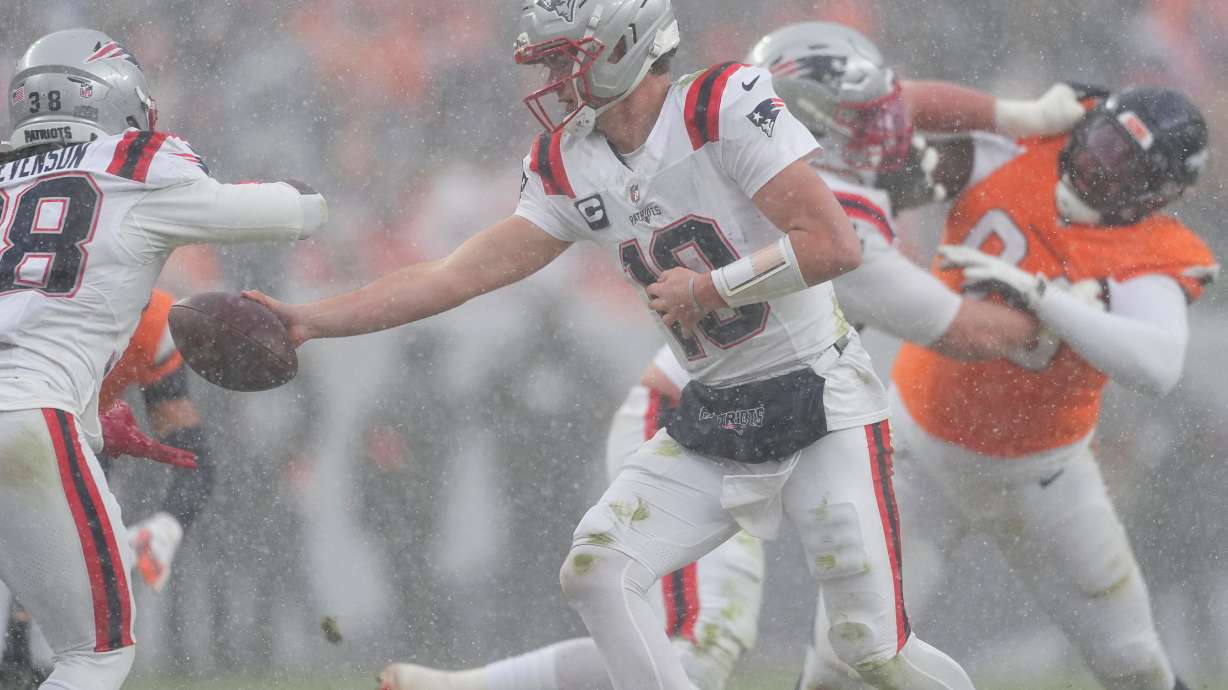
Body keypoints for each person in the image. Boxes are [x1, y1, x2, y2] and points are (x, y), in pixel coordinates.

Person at [249, 3, 978, 687]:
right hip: (717, 410)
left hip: (819, 397)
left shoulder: (720, 105)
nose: (550, 81)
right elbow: (455, 274)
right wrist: (313, 321)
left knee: (871, 651)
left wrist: (711, 290)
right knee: (596, 571)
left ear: (624, 47)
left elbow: (832, 245)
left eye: (565, 59)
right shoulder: (571, 162)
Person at [374, 20, 1092, 690]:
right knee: (695, 644)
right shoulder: (813, 199)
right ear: (811, 122)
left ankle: (465, 686)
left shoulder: (776, 153)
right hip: (704, 417)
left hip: (792, 406)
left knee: (853, 646)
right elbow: (969, 331)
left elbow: (906, 101)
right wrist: (1056, 303)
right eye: (867, 120)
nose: (893, 132)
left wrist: (1020, 115)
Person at [803, 85, 1216, 690]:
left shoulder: (1154, 254)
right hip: (915, 450)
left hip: (1043, 478)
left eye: (1128, 164)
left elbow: (1158, 366)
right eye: (1105, 143)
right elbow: (888, 117)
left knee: (1134, 665)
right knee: (843, 656)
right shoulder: (1022, 145)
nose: (1101, 165)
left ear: (1161, 191)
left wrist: (1047, 299)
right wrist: (1007, 112)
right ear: (1087, 121)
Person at [0, 29, 325, 690]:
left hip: (34, 414)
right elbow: (294, 213)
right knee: (95, 654)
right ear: (116, 99)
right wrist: (308, 200)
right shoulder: (138, 164)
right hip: (26, 410)